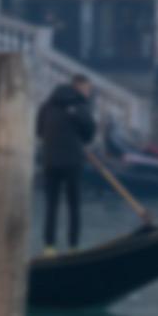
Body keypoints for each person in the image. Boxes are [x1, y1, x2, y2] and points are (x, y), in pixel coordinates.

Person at [36, 75, 97, 252]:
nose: (88, 92)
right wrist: (76, 139)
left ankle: (49, 248)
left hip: (50, 161)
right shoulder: (80, 105)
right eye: (87, 88)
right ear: (78, 87)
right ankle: (73, 247)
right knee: (74, 205)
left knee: (51, 205)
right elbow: (90, 132)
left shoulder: (46, 106)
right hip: (72, 161)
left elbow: (39, 132)